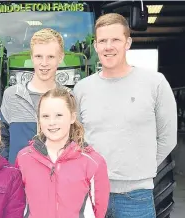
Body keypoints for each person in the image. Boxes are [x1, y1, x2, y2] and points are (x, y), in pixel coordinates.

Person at [73, 13, 177, 217]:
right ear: (95, 46)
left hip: (136, 197)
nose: (108, 46)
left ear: (127, 43)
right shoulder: (82, 89)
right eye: (102, 41)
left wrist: (139, 169)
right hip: (91, 195)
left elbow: (168, 138)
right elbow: (77, 137)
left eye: (115, 40)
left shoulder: (154, 83)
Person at [16, 88, 110, 218]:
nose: (52, 122)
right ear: (38, 119)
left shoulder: (93, 162)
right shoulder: (24, 158)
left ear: (72, 117)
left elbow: (99, 210)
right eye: (45, 116)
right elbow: (18, 204)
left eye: (59, 115)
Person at [0, 28, 72, 164]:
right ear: (32, 57)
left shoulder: (69, 98)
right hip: (18, 182)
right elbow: (2, 141)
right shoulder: (12, 95)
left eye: (50, 57)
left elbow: (76, 142)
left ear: (60, 58)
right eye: (39, 56)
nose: (44, 63)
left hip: (56, 180)